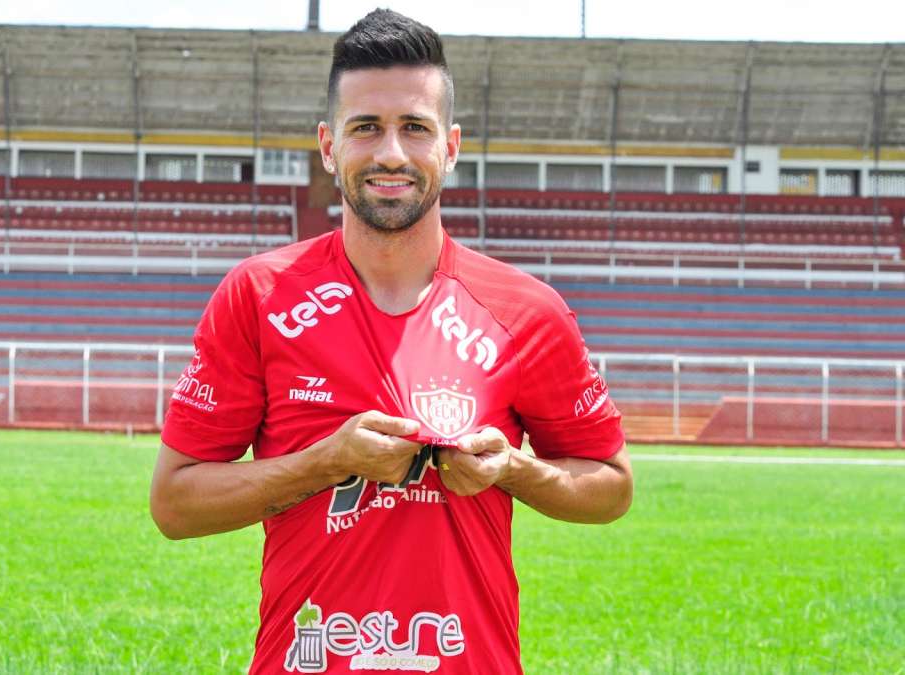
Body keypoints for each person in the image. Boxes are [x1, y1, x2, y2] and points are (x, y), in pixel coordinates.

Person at [150, 9, 632, 674]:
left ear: (451, 146)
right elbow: (174, 503)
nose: (391, 153)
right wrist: (324, 461)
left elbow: (610, 485)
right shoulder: (257, 297)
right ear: (328, 145)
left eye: (414, 127)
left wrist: (514, 470)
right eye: (366, 128)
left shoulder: (528, 311)